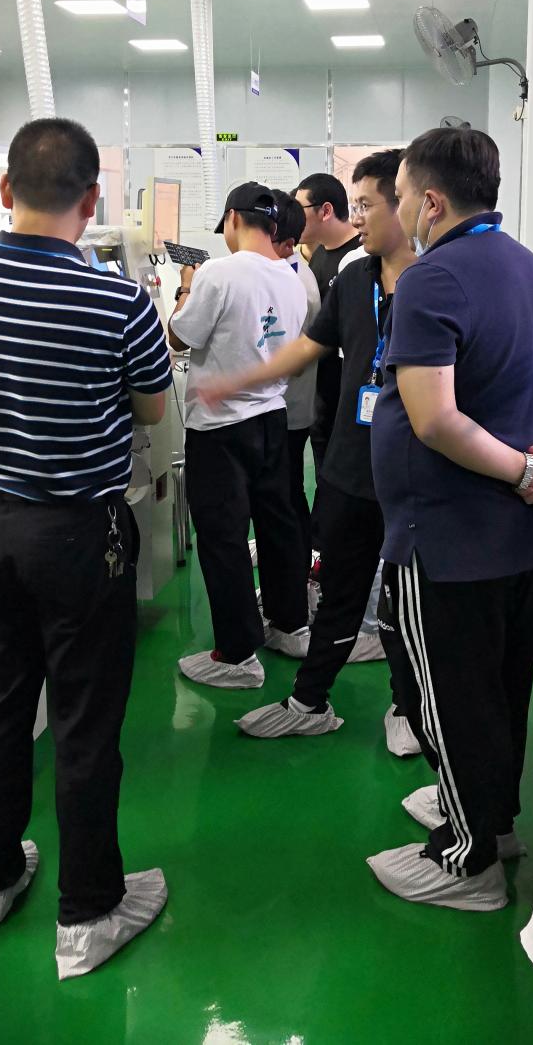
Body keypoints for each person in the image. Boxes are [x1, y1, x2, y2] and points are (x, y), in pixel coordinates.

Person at [0, 116, 173, 979]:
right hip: (78, 533)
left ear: (5, 190)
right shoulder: (116, 299)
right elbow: (152, 408)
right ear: (93, 199)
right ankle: (89, 910)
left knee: (0, 699)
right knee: (84, 719)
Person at [365, 126, 533, 913]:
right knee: (496, 690)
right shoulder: (531, 270)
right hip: (517, 537)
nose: (397, 211)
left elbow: (435, 420)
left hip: (445, 538)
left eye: (399, 197)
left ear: (431, 201)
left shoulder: (431, 279)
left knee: (445, 697)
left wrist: (529, 470)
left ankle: (467, 860)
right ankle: (492, 821)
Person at [198, 150, 418, 740]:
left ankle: (407, 707)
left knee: (404, 602)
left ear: (409, 204)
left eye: (366, 204)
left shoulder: (436, 285)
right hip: (349, 467)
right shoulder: (353, 280)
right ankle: (309, 703)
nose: (356, 217)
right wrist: (240, 379)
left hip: (412, 475)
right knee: (340, 591)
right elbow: (306, 346)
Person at [169, 182, 310, 689]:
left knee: (223, 538)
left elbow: (179, 336)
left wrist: (186, 286)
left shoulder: (218, 272)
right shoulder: (291, 277)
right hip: (272, 418)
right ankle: (290, 625)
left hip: (220, 427)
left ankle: (235, 655)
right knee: (277, 526)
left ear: (232, 219)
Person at [292, 173, 363, 488]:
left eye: (300, 210)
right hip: (320, 393)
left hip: (346, 396)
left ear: (326, 210)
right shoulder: (319, 255)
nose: (294, 219)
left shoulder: (361, 258)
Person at [269, 188, 320, 580]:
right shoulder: (289, 274)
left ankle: (296, 580)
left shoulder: (294, 284)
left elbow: (284, 358)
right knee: (284, 493)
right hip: (287, 407)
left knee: (285, 496)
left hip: (287, 409)